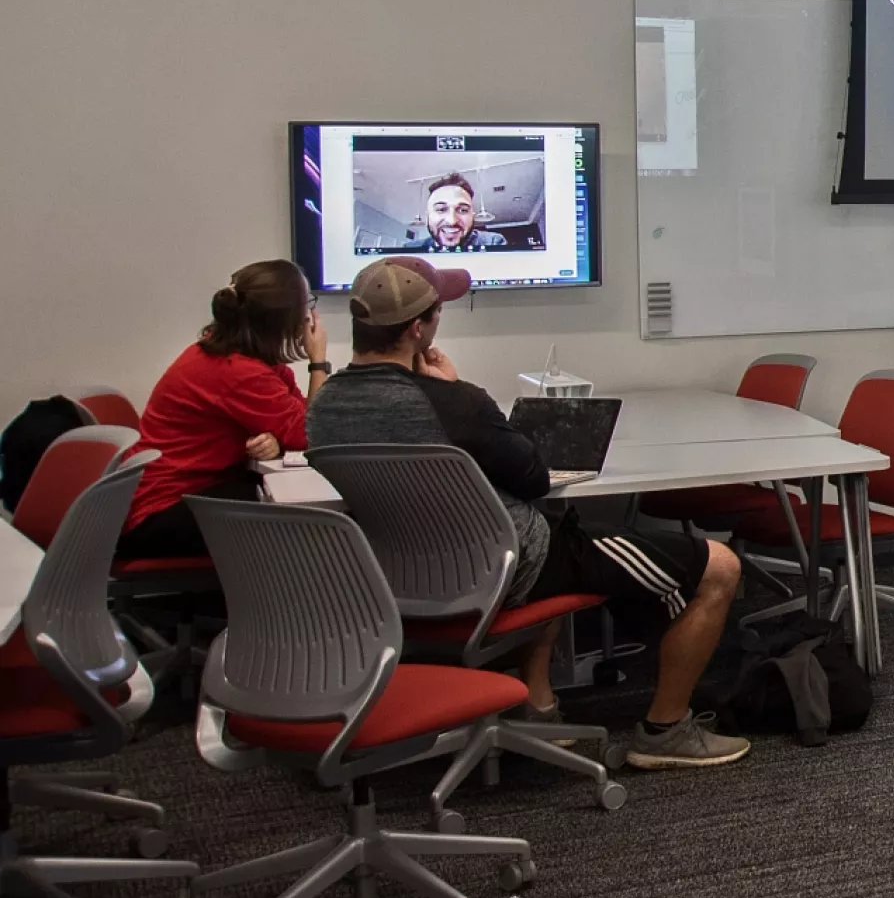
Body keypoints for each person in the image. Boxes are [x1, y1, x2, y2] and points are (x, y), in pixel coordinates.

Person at [303, 257, 751, 769]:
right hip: (508, 568)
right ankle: (666, 730)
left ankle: (538, 705)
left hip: (393, 577)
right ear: (417, 330)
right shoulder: (454, 404)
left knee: (555, 532)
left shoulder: (323, 407)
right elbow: (534, 478)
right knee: (719, 568)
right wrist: (453, 390)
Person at [117, 260, 332, 563]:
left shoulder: (231, 355)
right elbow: (313, 431)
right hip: (160, 512)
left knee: (280, 503)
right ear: (282, 320)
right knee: (300, 524)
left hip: (171, 497)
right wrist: (318, 360)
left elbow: (295, 415)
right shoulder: (238, 371)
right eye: (306, 304)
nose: (310, 315)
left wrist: (277, 437)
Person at [408, 174, 507, 252]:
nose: (452, 221)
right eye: (441, 209)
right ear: (427, 217)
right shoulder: (410, 249)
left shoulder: (493, 242)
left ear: (472, 216)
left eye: (463, 210)